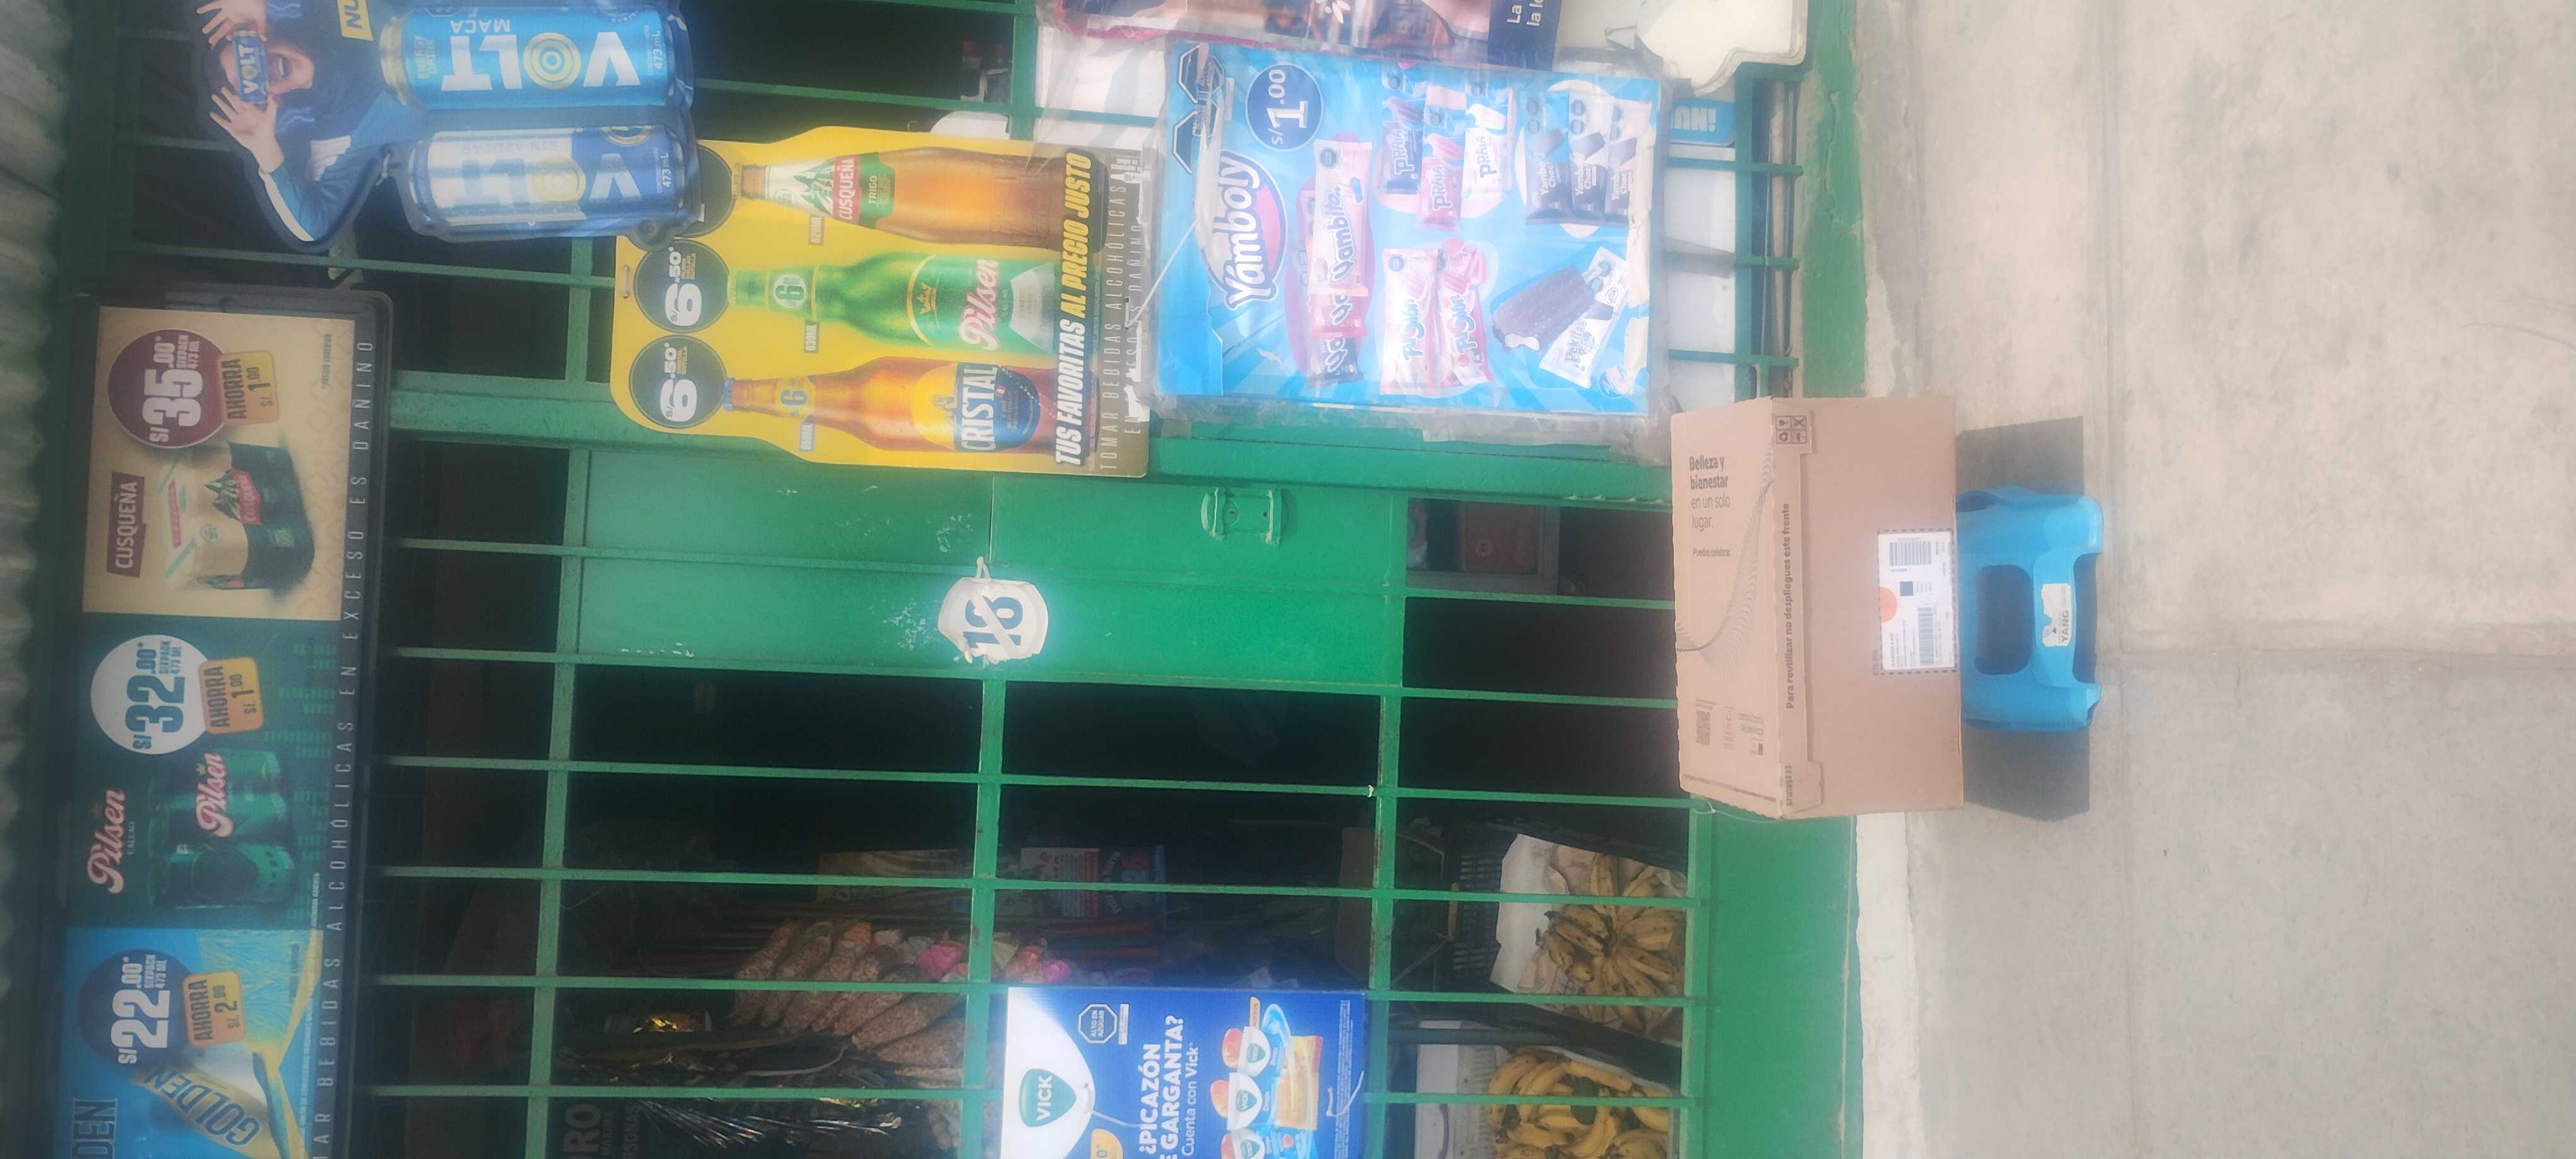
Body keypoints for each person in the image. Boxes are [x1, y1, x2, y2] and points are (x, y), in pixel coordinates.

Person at [199, 0, 426, 244]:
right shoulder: (338, 134)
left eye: (249, 54)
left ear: (265, 32)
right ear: (269, 100)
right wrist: (265, 151)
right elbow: (314, 226)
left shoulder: (328, 6)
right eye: (252, 84)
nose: (263, 67)